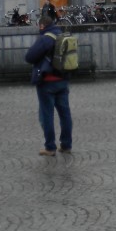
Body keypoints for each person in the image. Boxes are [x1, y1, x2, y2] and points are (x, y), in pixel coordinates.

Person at [24, 13, 73, 157]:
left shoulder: (46, 38)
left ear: (42, 25)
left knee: (47, 115)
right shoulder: (62, 36)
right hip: (63, 81)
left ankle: (50, 147)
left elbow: (29, 57)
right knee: (65, 114)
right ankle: (66, 145)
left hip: (47, 83)